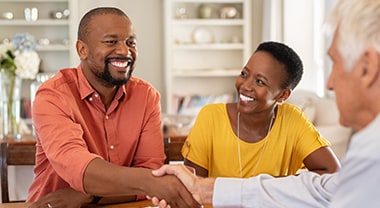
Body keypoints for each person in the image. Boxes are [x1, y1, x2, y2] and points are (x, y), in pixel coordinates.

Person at [151, 0, 380, 207]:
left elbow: (328, 181)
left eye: (336, 63)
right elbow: (321, 189)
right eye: (244, 73)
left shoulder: (365, 153)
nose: (329, 84)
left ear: (283, 95)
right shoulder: (367, 149)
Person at [27, 7, 198, 208]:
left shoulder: (147, 96)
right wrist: (152, 184)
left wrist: (89, 197)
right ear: (82, 49)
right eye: (111, 42)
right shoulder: (53, 95)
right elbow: (78, 169)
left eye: (130, 42)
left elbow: (150, 169)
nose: (125, 51)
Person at [182, 41, 340, 178]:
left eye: (260, 82)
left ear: (283, 95)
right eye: (244, 74)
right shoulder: (211, 117)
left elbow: (332, 172)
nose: (246, 86)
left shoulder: (292, 120)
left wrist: (268, 186)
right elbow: (192, 189)